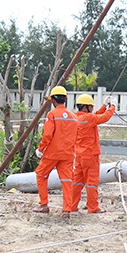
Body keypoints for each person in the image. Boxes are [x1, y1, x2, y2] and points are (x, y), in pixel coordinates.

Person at [34, 86, 79, 217]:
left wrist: (41, 149)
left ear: (53, 100)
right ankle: (67, 210)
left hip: (52, 153)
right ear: (65, 99)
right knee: (67, 181)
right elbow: (76, 137)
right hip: (68, 154)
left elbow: (47, 135)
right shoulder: (73, 117)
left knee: (41, 175)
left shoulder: (52, 115)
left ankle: (43, 204)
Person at [70, 94, 116, 213]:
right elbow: (103, 118)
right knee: (91, 183)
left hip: (79, 156)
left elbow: (95, 116)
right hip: (90, 155)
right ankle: (93, 207)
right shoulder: (88, 118)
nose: (92, 108)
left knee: (77, 182)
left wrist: (104, 106)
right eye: (91, 106)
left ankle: (71, 205)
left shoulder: (75, 117)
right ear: (86, 106)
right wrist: (113, 107)